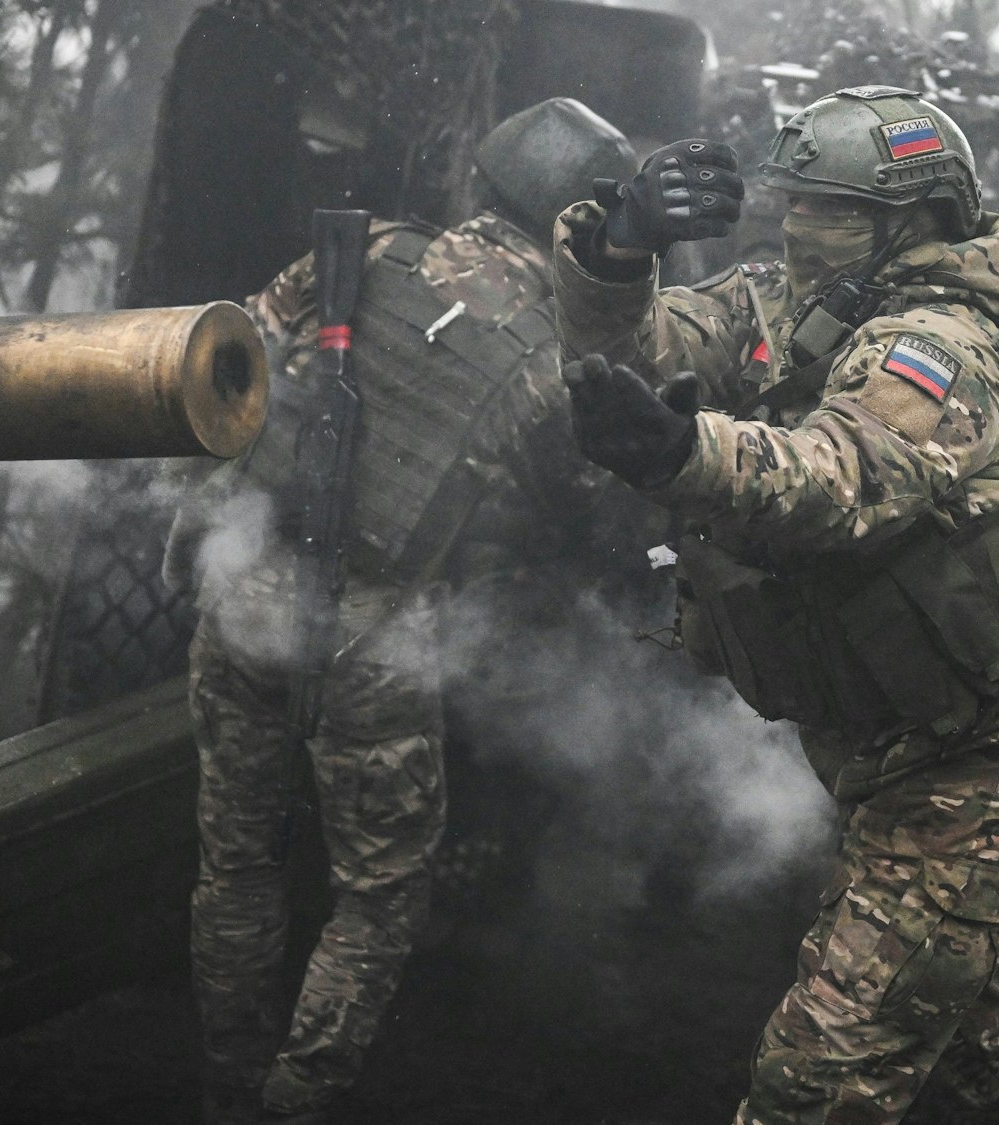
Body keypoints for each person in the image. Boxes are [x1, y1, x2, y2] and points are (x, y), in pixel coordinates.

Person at [552, 85, 999, 1125]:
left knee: (814, 1086)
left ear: (913, 219)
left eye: (832, 208)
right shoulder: (787, 301)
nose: (800, 225)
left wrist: (687, 451)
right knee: (994, 1061)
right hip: (879, 740)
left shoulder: (941, 345)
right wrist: (621, 246)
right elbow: (634, 356)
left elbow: (840, 479)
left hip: (967, 756)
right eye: (794, 200)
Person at [163, 97, 635, 1125]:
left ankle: (227, 1084)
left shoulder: (363, 252)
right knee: (376, 897)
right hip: (378, 640)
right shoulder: (548, 357)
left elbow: (227, 364)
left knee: (235, 862)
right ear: (579, 224)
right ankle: (297, 1099)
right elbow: (580, 509)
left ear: (486, 178)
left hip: (247, 596)